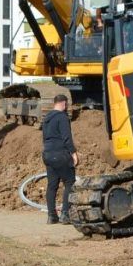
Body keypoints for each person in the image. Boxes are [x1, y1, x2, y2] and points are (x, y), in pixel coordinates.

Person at [41, 93, 78, 224]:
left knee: (52, 185)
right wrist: (73, 153)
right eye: (66, 105)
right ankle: (65, 214)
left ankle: (51, 216)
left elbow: (44, 138)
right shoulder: (62, 117)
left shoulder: (46, 119)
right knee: (70, 182)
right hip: (60, 154)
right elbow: (66, 137)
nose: (67, 107)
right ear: (64, 103)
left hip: (47, 154)